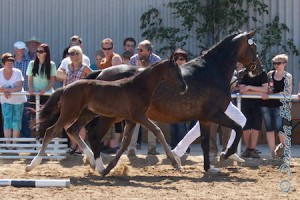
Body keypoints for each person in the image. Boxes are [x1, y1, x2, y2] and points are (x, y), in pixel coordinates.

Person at [128, 40, 161, 156]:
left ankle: (152, 148)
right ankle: (131, 148)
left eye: (141, 50)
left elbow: (159, 79)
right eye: (138, 49)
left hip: (151, 96)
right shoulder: (133, 59)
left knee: (152, 120)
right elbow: (130, 77)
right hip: (136, 95)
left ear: (149, 51)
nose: (138, 52)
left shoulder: (156, 60)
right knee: (134, 121)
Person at [61, 46, 92, 154]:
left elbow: (94, 79)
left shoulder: (85, 68)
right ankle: (73, 145)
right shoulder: (68, 67)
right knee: (66, 123)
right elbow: (64, 81)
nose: (73, 55)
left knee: (79, 124)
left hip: (80, 100)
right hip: (68, 99)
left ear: (80, 55)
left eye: (75, 53)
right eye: (71, 53)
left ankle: (81, 147)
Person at [260, 54, 292, 158]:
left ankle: (286, 150)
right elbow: (266, 88)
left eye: (278, 63)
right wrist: (267, 92)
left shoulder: (287, 76)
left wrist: (272, 95)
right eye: (275, 63)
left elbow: (287, 92)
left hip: (279, 105)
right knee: (269, 129)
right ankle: (272, 153)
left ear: (284, 64)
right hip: (266, 104)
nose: (276, 65)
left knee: (279, 129)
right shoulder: (270, 74)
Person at [99, 38, 123, 153]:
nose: (107, 50)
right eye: (105, 48)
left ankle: (114, 145)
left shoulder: (116, 58)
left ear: (112, 48)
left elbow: (117, 77)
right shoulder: (103, 60)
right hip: (106, 93)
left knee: (116, 119)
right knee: (107, 119)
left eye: (109, 48)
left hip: (115, 93)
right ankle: (107, 143)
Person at [239, 64, 268, 158]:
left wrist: (249, 87)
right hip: (245, 103)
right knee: (245, 127)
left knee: (256, 126)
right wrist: (259, 92)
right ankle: (248, 149)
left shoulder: (263, 73)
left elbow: (265, 89)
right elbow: (242, 90)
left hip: (258, 103)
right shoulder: (243, 73)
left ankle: (252, 149)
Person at [0, 53, 27, 148]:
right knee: (7, 119)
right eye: (8, 63)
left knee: (17, 120)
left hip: (18, 100)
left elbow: (19, 87)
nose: (10, 64)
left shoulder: (17, 72)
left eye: (11, 62)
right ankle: (8, 145)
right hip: (5, 99)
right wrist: (4, 90)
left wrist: (6, 90)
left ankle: (14, 144)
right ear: (3, 64)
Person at [169, 49, 191, 153]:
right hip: (172, 104)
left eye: (181, 59)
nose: (178, 61)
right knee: (173, 129)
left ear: (186, 60)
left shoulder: (190, 72)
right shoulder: (171, 73)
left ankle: (184, 149)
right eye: (176, 59)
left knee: (182, 128)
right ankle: (173, 148)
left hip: (184, 105)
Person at [26, 43, 57, 112]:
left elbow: (52, 82)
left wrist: (45, 90)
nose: (38, 53)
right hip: (34, 93)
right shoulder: (32, 64)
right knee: (33, 115)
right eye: (37, 51)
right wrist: (30, 89)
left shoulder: (52, 65)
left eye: (41, 52)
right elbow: (30, 79)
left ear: (45, 53)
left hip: (47, 94)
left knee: (46, 116)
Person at [13, 41, 31, 138]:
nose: (22, 51)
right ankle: (11, 141)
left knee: (25, 118)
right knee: (12, 119)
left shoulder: (29, 62)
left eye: (23, 49)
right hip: (11, 96)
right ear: (15, 50)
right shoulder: (9, 62)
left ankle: (25, 141)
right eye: (20, 49)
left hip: (25, 95)